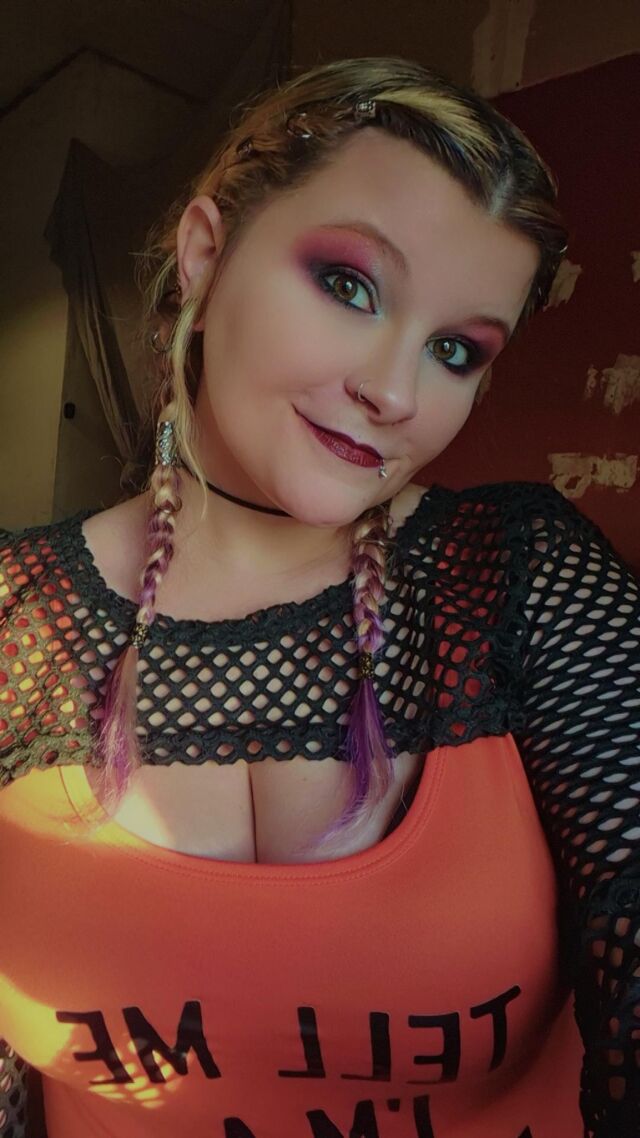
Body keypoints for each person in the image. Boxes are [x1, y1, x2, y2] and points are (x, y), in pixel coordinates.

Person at [0, 54, 638, 1138]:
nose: (393, 391)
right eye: (349, 286)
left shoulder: (519, 574)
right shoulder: (17, 623)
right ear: (206, 254)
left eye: (454, 350)